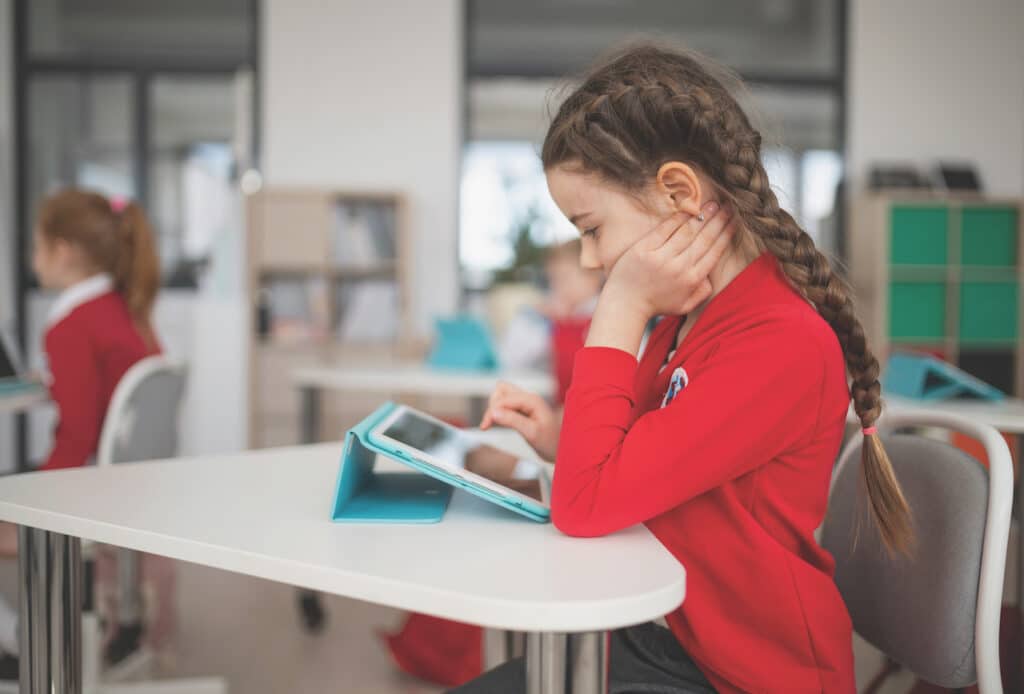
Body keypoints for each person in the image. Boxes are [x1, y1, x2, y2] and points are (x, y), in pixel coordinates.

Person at [458, 43, 912, 693]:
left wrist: (621, 305)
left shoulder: (778, 345)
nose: (589, 260)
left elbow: (583, 508)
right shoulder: (689, 319)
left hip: (743, 672)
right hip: (667, 632)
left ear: (678, 192)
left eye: (591, 228)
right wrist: (561, 436)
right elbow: (627, 463)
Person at [0, 189, 167, 675]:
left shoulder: (72, 324)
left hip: (90, 494)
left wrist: (38, 508)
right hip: (130, 487)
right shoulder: (123, 310)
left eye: (36, 246)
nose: (34, 259)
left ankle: (17, 644)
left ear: (65, 249)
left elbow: (76, 435)